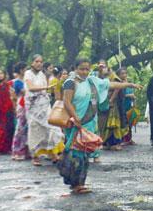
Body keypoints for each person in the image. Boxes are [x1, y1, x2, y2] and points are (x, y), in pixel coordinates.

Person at [60, 59, 105, 193]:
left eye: (87, 69)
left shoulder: (89, 82)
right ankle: (75, 184)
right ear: (75, 68)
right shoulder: (70, 82)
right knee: (76, 154)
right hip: (75, 123)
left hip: (88, 123)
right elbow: (66, 102)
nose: (84, 72)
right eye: (81, 69)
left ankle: (80, 182)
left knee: (84, 154)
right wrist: (75, 117)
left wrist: (130, 84)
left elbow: (109, 84)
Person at [24, 55, 58, 165]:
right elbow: (31, 88)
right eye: (36, 61)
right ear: (32, 63)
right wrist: (47, 88)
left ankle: (52, 154)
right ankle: (35, 156)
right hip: (33, 107)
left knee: (51, 128)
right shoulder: (28, 73)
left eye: (41, 62)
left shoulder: (42, 74)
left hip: (44, 105)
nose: (39, 63)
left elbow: (45, 90)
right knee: (35, 130)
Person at [10, 77, 29, 160]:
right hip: (21, 105)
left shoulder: (25, 80)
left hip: (27, 104)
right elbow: (22, 93)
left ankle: (25, 151)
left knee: (26, 130)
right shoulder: (17, 82)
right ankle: (17, 151)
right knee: (20, 129)